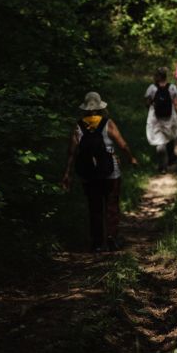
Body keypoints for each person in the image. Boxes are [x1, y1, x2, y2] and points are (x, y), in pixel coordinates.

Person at [62, 91, 137, 252]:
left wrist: (67, 173)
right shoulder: (108, 123)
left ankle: (96, 243)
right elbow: (122, 144)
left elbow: (71, 152)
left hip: (88, 173)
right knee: (111, 205)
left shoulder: (78, 126)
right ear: (99, 107)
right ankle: (111, 238)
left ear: (86, 108)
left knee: (94, 207)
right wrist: (131, 158)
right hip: (110, 171)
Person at [145, 67, 177, 173]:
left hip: (155, 118)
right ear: (165, 76)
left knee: (159, 141)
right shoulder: (172, 87)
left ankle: (162, 165)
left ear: (157, 76)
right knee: (170, 136)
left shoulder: (152, 88)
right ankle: (171, 158)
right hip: (169, 117)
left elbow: (147, 102)